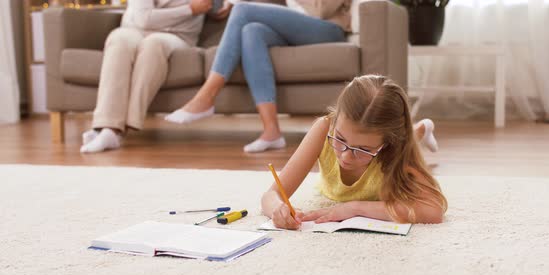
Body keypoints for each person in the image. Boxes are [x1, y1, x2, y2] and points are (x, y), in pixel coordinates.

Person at [261, 75, 447, 230]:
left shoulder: (398, 146)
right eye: (340, 139)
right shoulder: (325, 128)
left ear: (388, 143)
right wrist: (278, 209)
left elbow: (434, 210)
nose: (345, 156)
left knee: (413, 136)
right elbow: (270, 195)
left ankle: (423, 127)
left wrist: (356, 208)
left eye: (363, 150)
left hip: (401, 138)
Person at [164, 0, 353, 153]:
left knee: (243, 10)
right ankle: (272, 131)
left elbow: (321, 9)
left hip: (328, 27)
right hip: (295, 28)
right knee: (251, 31)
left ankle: (206, 97)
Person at [80, 0, 218, 153]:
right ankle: (107, 126)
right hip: (135, 29)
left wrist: (223, 6)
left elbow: (213, 7)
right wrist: (189, 10)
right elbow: (144, 19)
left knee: (153, 45)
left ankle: (119, 129)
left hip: (177, 36)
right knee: (118, 41)